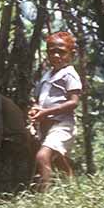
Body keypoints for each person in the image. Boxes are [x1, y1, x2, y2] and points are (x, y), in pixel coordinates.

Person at [28, 31, 83, 191]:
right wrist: (36, 109)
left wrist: (45, 112)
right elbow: (40, 99)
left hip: (62, 124)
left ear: (71, 54)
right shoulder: (47, 75)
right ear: (47, 53)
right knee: (58, 159)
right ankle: (74, 190)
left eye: (61, 51)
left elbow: (74, 102)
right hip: (46, 126)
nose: (57, 55)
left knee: (42, 156)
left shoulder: (69, 75)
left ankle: (44, 200)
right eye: (52, 51)